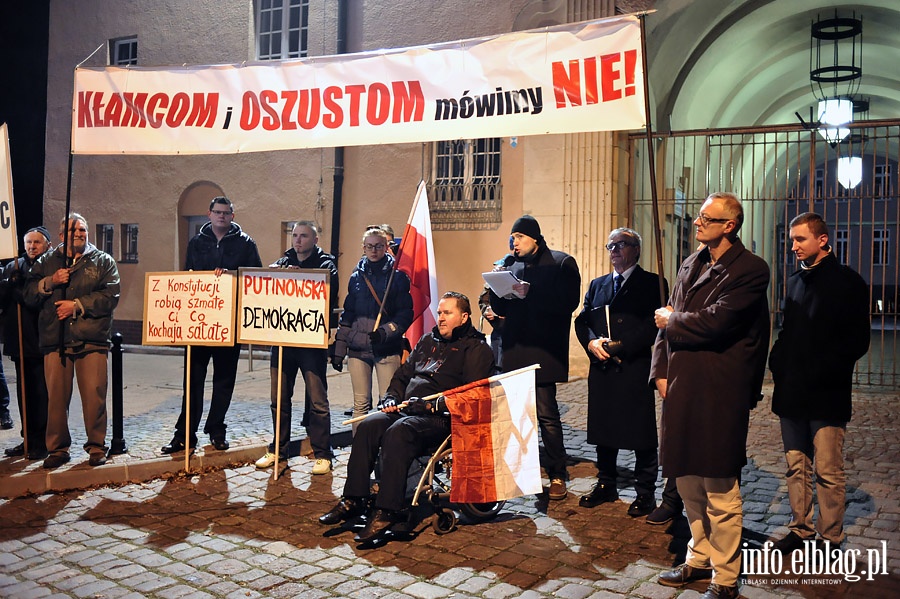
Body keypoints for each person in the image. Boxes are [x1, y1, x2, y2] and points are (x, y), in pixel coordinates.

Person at [651, 192, 770, 599]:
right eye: (699, 216)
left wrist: (673, 320)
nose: (697, 223)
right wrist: (659, 372)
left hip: (719, 390)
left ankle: (725, 577)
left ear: (730, 225)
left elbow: (717, 322)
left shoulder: (751, 270)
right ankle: (698, 558)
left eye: (706, 217)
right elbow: (664, 322)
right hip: (681, 386)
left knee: (719, 486)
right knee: (687, 482)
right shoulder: (691, 262)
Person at [319, 291, 495, 542]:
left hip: (441, 417)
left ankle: (388, 509)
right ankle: (354, 499)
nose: (441, 317)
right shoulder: (427, 341)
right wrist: (390, 398)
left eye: (448, 313)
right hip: (408, 409)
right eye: (440, 312)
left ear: (464, 317)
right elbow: (402, 376)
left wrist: (432, 406)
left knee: (399, 432)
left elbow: (472, 395)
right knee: (368, 425)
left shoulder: (476, 348)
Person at [768, 212, 870, 552]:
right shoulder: (795, 281)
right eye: (792, 240)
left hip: (826, 394)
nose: (793, 246)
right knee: (796, 467)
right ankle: (800, 529)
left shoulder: (848, 282)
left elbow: (857, 342)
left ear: (822, 240)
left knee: (828, 470)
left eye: (800, 239)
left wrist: (822, 370)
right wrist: (778, 363)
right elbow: (787, 332)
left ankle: (830, 537)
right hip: (791, 392)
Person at [574, 227, 666, 517]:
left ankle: (645, 492)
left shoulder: (653, 283)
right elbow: (582, 320)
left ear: (636, 250)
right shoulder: (598, 284)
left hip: (633, 365)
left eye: (621, 245)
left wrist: (620, 346)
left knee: (641, 430)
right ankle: (606, 482)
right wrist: (591, 342)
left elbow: (653, 326)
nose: (614, 251)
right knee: (604, 428)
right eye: (610, 246)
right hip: (601, 366)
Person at [488, 215, 580, 500]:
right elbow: (500, 306)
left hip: (544, 349)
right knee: (515, 414)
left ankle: (556, 472)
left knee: (546, 415)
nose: (513, 242)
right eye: (512, 237)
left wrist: (532, 292)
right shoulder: (511, 264)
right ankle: (519, 469)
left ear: (535, 238)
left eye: (519, 237)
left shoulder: (561, 263)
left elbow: (569, 303)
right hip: (515, 348)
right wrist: (497, 284)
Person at [162, 196, 262, 454]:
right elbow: (187, 276)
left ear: (232, 216)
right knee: (192, 381)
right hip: (199, 325)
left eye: (226, 213)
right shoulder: (196, 242)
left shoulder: (245, 243)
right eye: (217, 212)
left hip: (229, 323)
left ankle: (217, 429)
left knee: (224, 381)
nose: (221, 216)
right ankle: (185, 434)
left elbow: (256, 278)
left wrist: (233, 276)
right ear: (209, 214)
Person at [24, 213, 120, 469]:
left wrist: (76, 305)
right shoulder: (47, 261)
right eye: (73, 230)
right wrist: (51, 281)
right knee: (56, 397)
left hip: (92, 338)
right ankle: (57, 448)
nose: (79, 233)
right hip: (55, 339)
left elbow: (110, 296)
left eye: (83, 229)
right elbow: (29, 293)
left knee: (94, 395)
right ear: (60, 235)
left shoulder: (103, 261)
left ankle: (97, 446)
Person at [255, 221, 337, 475]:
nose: (298, 240)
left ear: (314, 239)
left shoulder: (326, 265)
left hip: (311, 344)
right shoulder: (281, 262)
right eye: (295, 236)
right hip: (283, 342)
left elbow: (328, 291)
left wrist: (298, 275)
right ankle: (278, 449)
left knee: (317, 400)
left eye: (303, 236)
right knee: (278, 400)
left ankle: (323, 453)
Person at [332, 227, 413, 433]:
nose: (374, 250)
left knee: (388, 404)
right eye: (369, 246)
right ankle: (360, 449)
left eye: (378, 246)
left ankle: (385, 448)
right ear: (363, 248)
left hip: (386, 348)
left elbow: (405, 314)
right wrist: (339, 348)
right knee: (360, 404)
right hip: (358, 349)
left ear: (386, 247)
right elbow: (348, 314)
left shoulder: (397, 277)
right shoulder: (356, 276)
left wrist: (386, 332)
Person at [1, 226, 52, 459]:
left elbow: (36, 301)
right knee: (24, 393)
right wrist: (8, 284)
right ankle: (27, 439)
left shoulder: (49, 266)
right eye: (29, 242)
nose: (32, 247)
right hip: (19, 339)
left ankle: (42, 441)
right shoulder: (14, 266)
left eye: (37, 243)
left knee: (40, 394)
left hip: (39, 340)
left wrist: (19, 289)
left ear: (47, 245)